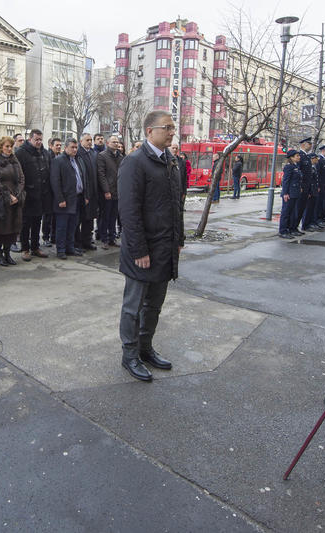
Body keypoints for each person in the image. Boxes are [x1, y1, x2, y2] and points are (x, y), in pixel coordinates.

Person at [116, 110, 184, 382]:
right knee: (133, 307)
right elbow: (129, 212)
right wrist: (139, 250)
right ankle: (129, 354)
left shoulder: (171, 161)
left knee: (154, 305)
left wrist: (178, 240)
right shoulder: (134, 162)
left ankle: (145, 349)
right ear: (149, 131)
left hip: (165, 248)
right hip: (142, 251)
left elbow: (176, 205)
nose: (171, 132)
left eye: (172, 127)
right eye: (166, 127)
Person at [16, 129, 51, 261]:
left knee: (37, 222)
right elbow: (18, 174)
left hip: (41, 194)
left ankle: (35, 247)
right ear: (30, 139)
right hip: (27, 194)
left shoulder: (44, 153)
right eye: (36, 139)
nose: (39, 142)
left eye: (40, 140)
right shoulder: (21, 153)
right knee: (26, 223)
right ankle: (25, 248)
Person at [0, 136, 25, 266]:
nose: (9, 149)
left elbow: (21, 178)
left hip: (15, 200)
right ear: (1, 147)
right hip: (1, 199)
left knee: (12, 229)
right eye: (7, 146)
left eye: (11, 146)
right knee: (0, 230)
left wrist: (17, 194)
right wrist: (8, 195)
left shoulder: (14, 160)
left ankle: (7, 254)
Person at [50, 139, 84, 259]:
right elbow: (55, 181)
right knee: (62, 227)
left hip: (76, 198)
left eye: (76, 147)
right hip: (64, 200)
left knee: (72, 226)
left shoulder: (77, 160)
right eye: (72, 147)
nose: (75, 150)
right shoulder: (58, 161)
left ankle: (70, 248)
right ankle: (61, 250)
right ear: (66, 148)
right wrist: (60, 199)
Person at [96, 135, 122, 248]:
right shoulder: (102, 156)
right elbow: (101, 174)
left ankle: (112, 238)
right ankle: (104, 239)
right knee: (105, 216)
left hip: (117, 192)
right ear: (107, 143)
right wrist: (106, 190)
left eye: (117, 142)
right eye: (113, 142)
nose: (116, 144)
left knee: (113, 216)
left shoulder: (120, 157)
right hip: (107, 192)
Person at [76, 133, 99, 251]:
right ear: (81, 141)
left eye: (90, 140)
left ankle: (87, 241)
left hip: (93, 192)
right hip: (83, 193)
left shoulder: (93, 153)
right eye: (87, 140)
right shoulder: (78, 154)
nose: (90, 142)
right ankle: (78, 243)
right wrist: (86, 193)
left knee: (90, 219)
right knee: (81, 219)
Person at [42, 137, 63, 246]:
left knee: (55, 216)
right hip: (49, 191)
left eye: (60, 145)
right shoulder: (48, 157)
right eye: (57, 145)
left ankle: (53, 236)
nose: (59, 147)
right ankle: (46, 237)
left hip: (57, 192)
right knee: (48, 216)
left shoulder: (60, 156)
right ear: (51, 146)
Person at [278, 150, 303, 238]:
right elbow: (286, 181)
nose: (299, 157)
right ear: (291, 157)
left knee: (293, 212)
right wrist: (285, 193)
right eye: (297, 156)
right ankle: (283, 231)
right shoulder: (289, 167)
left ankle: (291, 229)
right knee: (286, 212)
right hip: (289, 193)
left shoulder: (296, 166)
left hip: (295, 192)